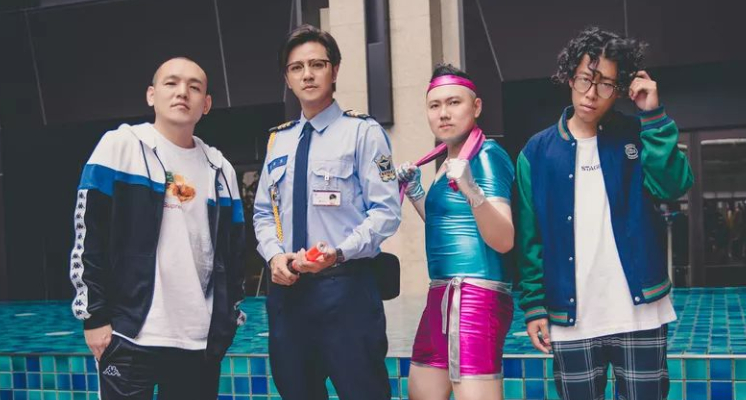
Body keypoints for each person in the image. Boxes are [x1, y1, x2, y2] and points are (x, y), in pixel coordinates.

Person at [515, 27, 693, 400]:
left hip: (641, 313)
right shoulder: (537, 152)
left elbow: (673, 186)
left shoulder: (636, 133)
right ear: (570, 77)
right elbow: (531, 240)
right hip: (572, 319)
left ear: (621, 88)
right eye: (585, 79)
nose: (592, 94)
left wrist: (653, 115)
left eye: (606, 85)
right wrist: (533, 307)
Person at [69, 57, 246, 399]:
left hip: (198, 341)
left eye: (195, 87)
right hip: (130, 334)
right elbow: (88, 234)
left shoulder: (220, 168)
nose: (183, 92)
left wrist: (227, 321)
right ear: (151, 95)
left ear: (206, 104)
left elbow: (234, 252)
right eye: (171, 83)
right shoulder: (120, 146)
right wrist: (95, 317)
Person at [252, 24, 401, 400]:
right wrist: (274, 256)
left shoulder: (363, 133)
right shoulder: (278, 140)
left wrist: (339, 252)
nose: (307, 74)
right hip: (288, 294)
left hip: (345, 288)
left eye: (317, 64)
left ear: (334, 70)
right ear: (287, 79)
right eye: (296, 67)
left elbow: (386, 212)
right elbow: (264, 214)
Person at [397, 64, 515, 400]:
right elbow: (448, 225)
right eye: (435, 105)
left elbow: (504, 239)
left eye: (454, 102)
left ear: (476, 107)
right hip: (441, 294)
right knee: (421, 394)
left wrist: (472, 190)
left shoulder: (486, 156)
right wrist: (416, 193)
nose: (443, 113)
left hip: (475, 295)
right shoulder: (449, 162)